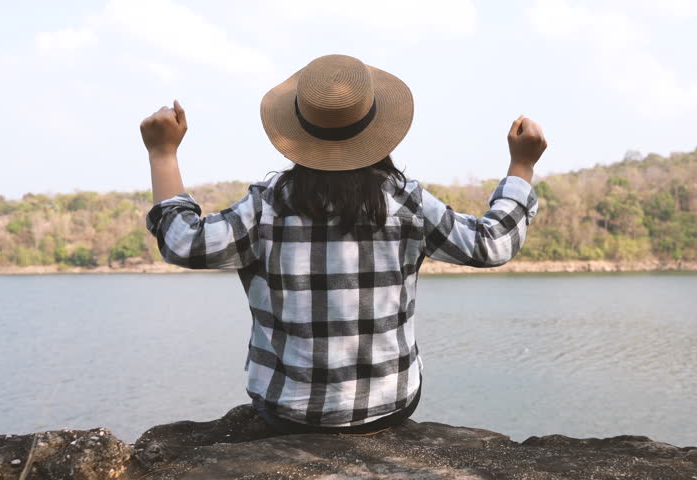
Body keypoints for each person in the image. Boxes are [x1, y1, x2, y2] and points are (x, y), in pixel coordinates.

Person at [141, 54, 547, 435]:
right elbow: (493, 242)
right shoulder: (407, 203)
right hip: (389, 406)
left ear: (297, 131)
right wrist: (522, 165)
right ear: (378, 130)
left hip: (287, 411)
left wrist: (163, 154)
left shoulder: (266, 207)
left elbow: (183, 242)